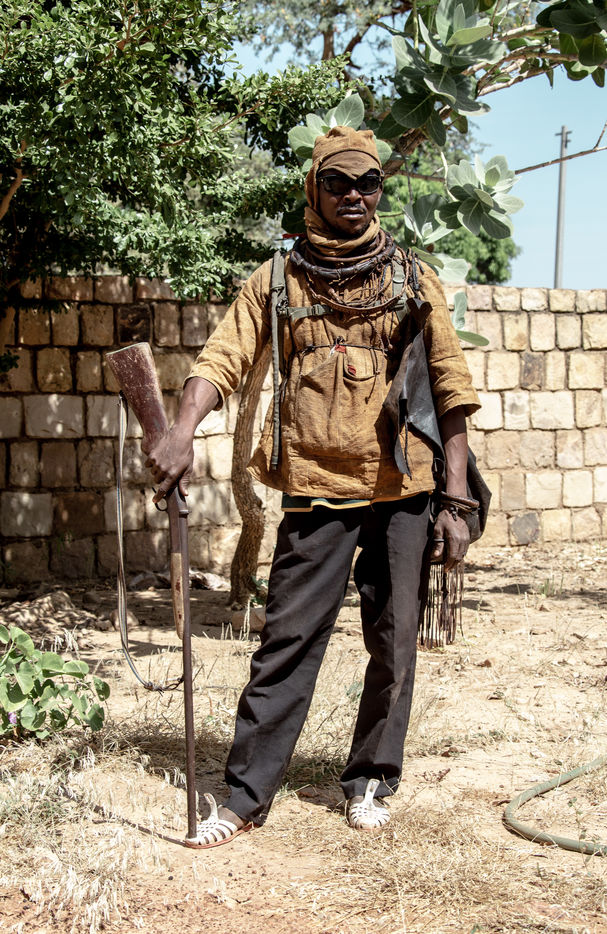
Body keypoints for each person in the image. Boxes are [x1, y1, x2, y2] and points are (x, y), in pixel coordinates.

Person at [145, 126, 480, 848]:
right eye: (338, 183)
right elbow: (222, 358)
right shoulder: (277, 278)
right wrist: (180, 429)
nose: (354, 195)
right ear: (314, 190)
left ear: (380, 190)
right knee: (286, 642)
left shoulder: (412, 277)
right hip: (316, 487)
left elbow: (450, 387)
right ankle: (244, 796)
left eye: (367, 183)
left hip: (403, 490)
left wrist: (456, 498)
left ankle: (369, 782)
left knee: (394, 643)